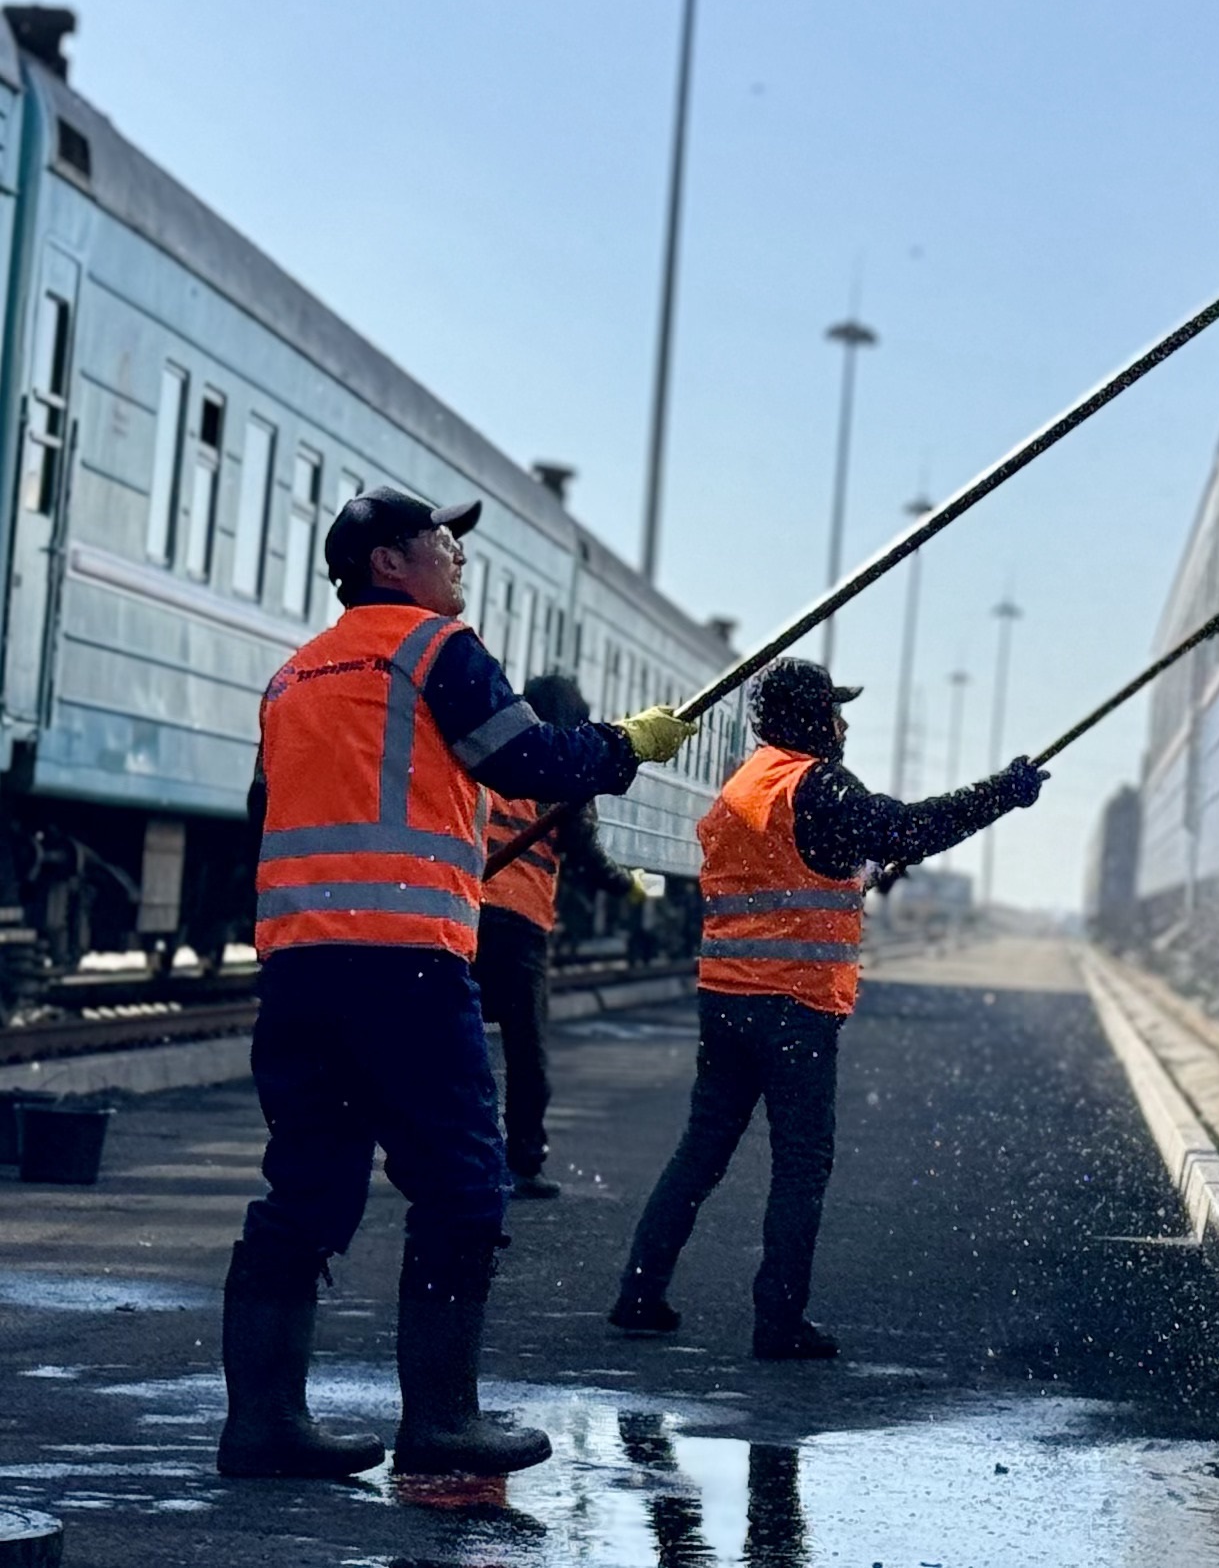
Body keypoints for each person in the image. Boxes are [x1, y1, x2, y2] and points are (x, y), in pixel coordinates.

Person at [219, 487, 699, 1481]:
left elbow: (261, 822)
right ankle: (441, 1425)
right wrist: (626, 745)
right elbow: (529, 758)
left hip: (302, 970)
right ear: (389, 561)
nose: (456, 557)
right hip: (404, 966)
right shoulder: (439, 652)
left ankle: (262, 1426)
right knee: (463, 1187)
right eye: (443, 541)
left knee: (303, 1191)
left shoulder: (291, 679)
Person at [609, 658, 1045, 1360]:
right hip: (792, 1007)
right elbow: (906, 829)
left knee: (701, 1151)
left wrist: (859, 872)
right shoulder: (817, 782)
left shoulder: (743, 786)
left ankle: (638, 1293)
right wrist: (1004, 791)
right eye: (834, 712)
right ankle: (778, 1323)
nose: (843, 725)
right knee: (801, 1164)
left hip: (726, 1000)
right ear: (810, 717)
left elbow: (799, 869)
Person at [476, 672, 639, 1201]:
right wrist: (633, 890)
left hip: (464, 917)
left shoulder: (489, 750)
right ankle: (523, 1163)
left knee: (451, 1044)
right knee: (526, 1057)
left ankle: (433, 1155)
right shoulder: (559, 770)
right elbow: (587, 855)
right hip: (519, 928)